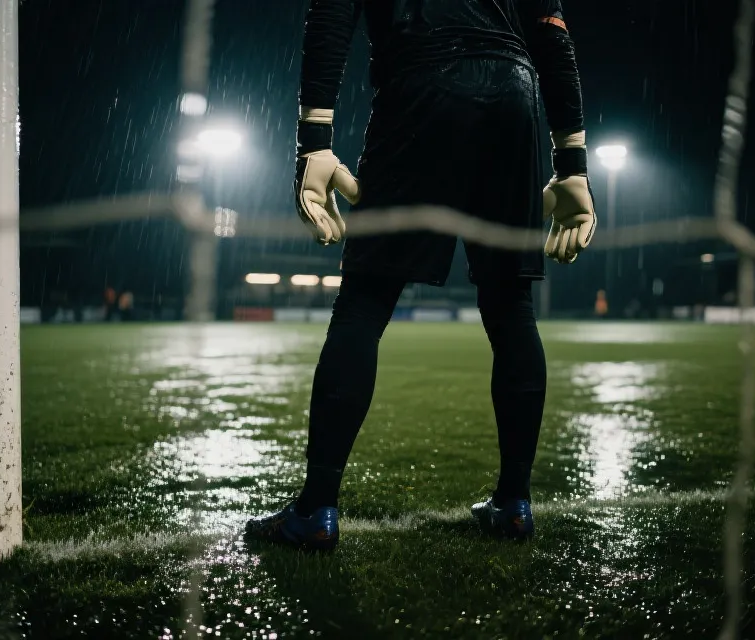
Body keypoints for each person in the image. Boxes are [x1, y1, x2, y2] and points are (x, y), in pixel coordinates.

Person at [245, 0, 596, 550]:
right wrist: (572, 162)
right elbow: (553, 36)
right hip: (514, 93)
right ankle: (514, 504)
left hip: (421, 85)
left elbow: (331, 14)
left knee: (364, 301)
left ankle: (316, 511)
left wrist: (313, 140)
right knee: (511, 308)